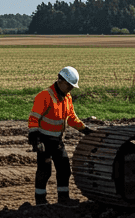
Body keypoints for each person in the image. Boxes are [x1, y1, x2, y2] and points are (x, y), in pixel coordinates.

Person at [27, 66, 93, 205]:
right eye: (69, 86)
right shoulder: (44, 96)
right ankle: (40, 201)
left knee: (64, 170)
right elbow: (33, 119)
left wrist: (85, 130)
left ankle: (63, 199)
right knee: (44, 171)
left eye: (72, 87)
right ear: (60, 81)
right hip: (43, 141)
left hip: (57, 141)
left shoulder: (67, 97)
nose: (70, 89)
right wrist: (35, 138)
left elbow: (71, 118)